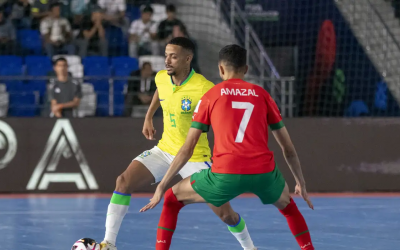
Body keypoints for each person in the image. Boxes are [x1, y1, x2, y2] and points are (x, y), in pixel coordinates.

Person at [140, 44, 315, 250]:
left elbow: (187, 149)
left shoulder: (211, 95)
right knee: (289, 208)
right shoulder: (262, 95)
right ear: (246, 69)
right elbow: (288, 149)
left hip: (225, 174)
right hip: (264, 174)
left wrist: (162, 186)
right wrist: (300, 182)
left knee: (171, 199)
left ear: (221, 69)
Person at [100, 38, 256, 250]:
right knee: (123, 181)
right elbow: (160, 91)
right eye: (166, 56)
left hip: (195, 157)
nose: (167, 61)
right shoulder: (162, 77)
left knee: (226, 214)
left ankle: (249, 247)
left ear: (187, 59)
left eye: (173, 56)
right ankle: (108, 243)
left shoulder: (203, 88)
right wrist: (149, 116)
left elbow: (225, 118)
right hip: (165, 150)